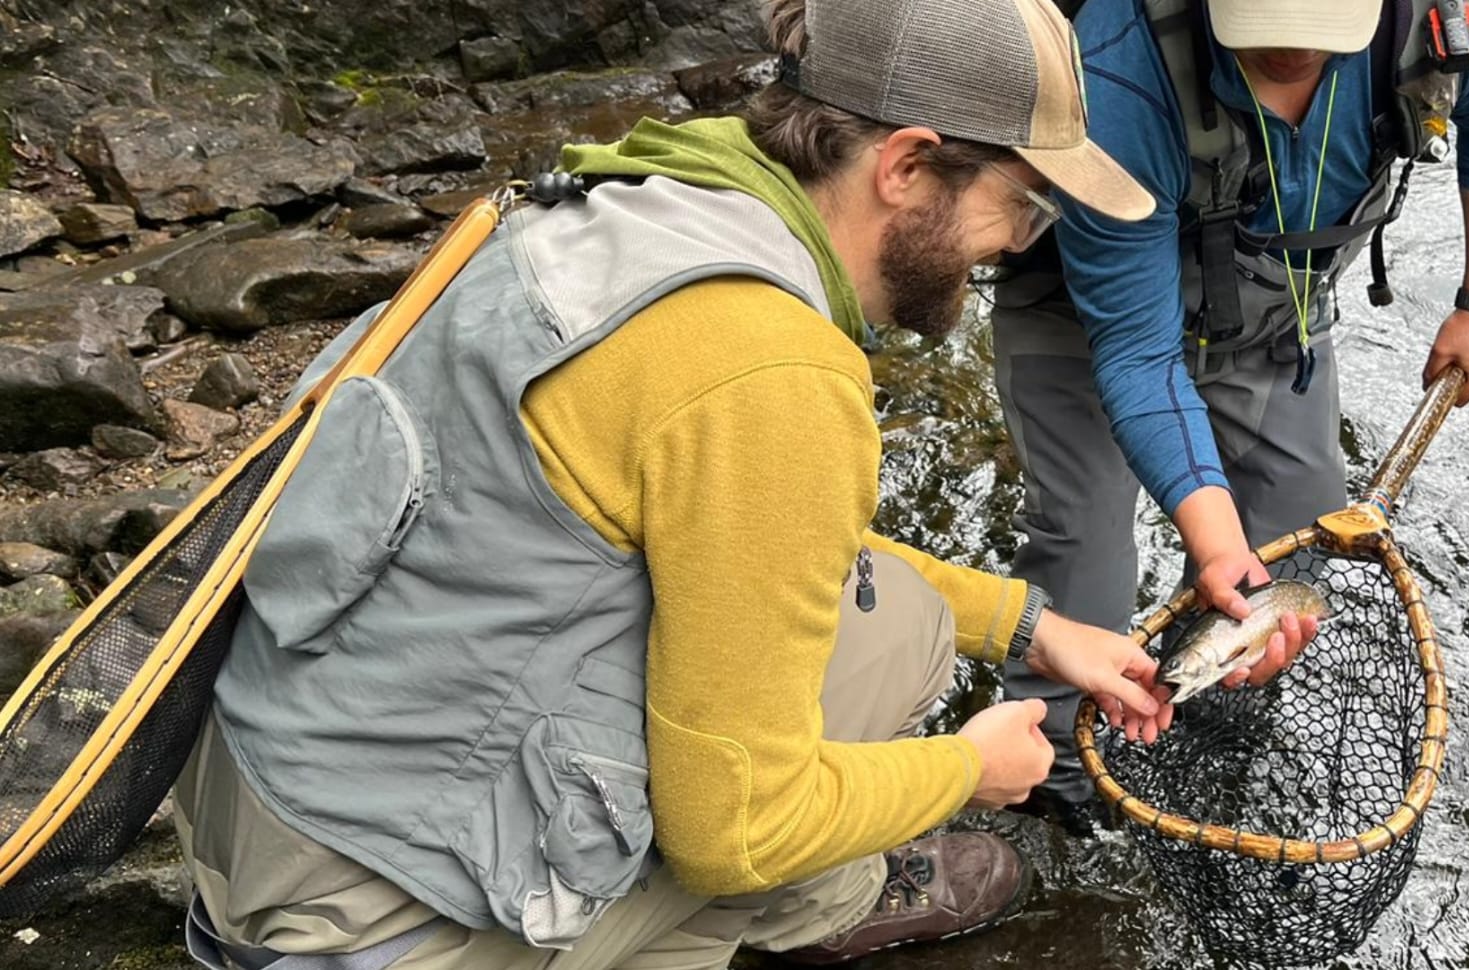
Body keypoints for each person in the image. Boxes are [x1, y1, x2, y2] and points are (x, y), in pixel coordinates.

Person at [170, 0, 1278, 967]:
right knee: (789, 786)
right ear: (904, 166)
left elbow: (762, 540)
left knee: (892, 620)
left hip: (269, 817)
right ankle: (804, 905)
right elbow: (734, 832)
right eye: (1023, 205)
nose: (1015, 246)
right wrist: (960, 769)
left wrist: (1034, 629)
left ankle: (803, 892)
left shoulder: (634, 199)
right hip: (370, 925)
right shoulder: (771, 371)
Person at [993, 0, 1469, 830]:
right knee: (1084, 550)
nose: (1290, 50)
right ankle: (1045, 786)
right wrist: (1220, 549)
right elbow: (1138, 360)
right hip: (1083, 316)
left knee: (1293, 552)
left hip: (1274, 311)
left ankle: (1196, 742)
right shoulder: (1114, 71)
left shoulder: (1451, 20)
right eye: (1265, 26)